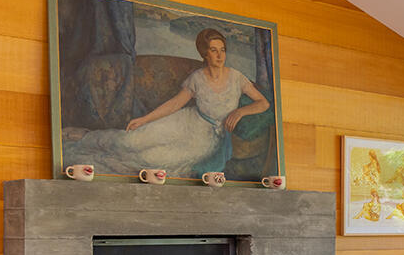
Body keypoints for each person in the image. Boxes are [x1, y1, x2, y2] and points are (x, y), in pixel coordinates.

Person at [67, 29, 270, 176]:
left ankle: (102, 160)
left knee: (153, 160)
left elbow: (263, 103)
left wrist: (241, 112)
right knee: (129, 140)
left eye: (223, 50)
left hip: (205, 138)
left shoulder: (236, 77)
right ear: (204, 53)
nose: (220, 55)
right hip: (184, 122)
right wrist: (144, 119)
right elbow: (174, 104)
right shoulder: (197, 78)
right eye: (214, 50)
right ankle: (86, 137)